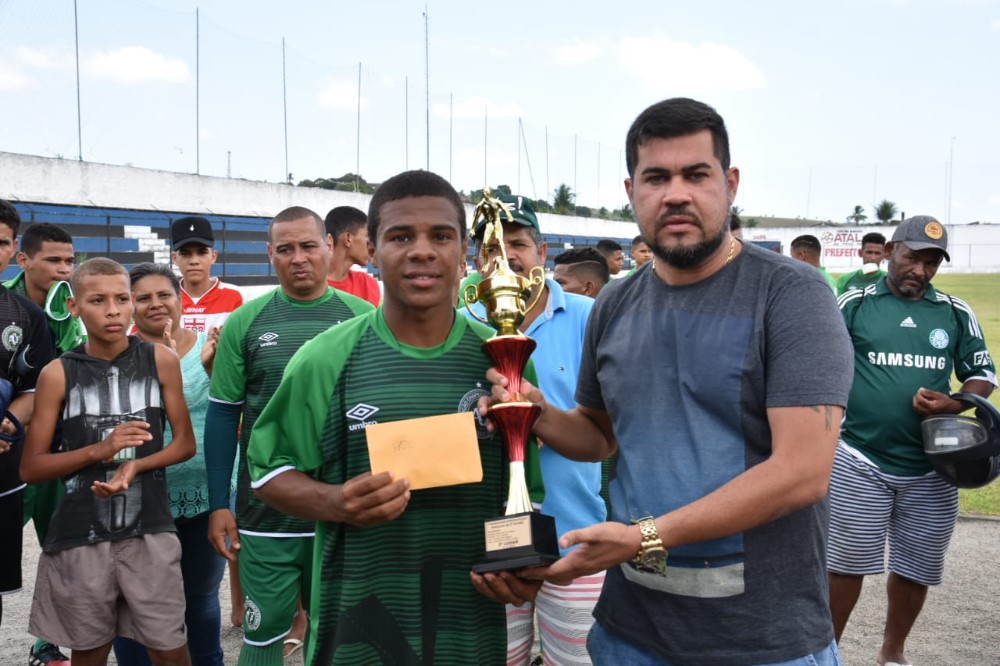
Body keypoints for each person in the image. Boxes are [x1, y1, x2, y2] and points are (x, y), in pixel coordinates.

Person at [473, 97, 854, 665]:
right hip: (631, 631)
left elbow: (802, 473)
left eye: (696, 175)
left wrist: (643, 537)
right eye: (656, 178)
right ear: (632, 192)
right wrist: (537, 411)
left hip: (760, 638)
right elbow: (599, 435)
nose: (676, 194)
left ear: (730, 184)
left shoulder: (791, 294)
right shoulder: (615, 303)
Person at [246, 171, 544, 665]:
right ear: (372, 249)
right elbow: (267, 473)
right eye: (401, 237)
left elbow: (524, 491)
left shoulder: (504, 362)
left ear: (465, 251)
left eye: (441, 236)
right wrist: (335, 501)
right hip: (355, 634)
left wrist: (521, 566)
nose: (421, 251)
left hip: (470, 635)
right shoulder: (325, 359)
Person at [204, 206, 373, 664]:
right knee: (262, 635)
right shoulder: (245, 322)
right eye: (285, 249)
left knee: (336, 633)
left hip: (343, 508)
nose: (298, 258)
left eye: (308, 246)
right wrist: (219, 503)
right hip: (265, 513)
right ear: (269, 254)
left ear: (329, 246)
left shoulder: (364, 318)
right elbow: (223, 417)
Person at [828, 215, 997, 666]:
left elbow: (982, 372)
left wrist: (955, 403)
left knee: (916, 565)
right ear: (889, 251)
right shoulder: (855, 303)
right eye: (912, 258)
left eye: (931, 263)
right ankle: (826, 653)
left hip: (934, 465)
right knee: (844, 563)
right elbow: (820, 361)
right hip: (859, 456)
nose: (920, 271)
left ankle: (892, 652)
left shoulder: (954, 312)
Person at [19, 257, 195, 666]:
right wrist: (100, 451)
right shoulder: (57, 374)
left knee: (170, 649)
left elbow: (185, 444)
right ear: (74, 307)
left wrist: (136, 465)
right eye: (97, 300)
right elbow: (31, 467)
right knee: (90, 651)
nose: (113, 310)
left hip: (151, 527)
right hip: (80, 533)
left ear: (131, 303)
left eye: (121, 299)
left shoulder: (161, 360)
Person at [465, 194, 605, 665]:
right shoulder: (460, 326)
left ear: (542, 253)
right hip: (489, 542)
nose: (505, 257)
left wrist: (540, 419)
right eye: (491, 249)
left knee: (581, 658)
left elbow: (611, 428)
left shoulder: (589, 317)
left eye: (518, 244)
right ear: (476, 261)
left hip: (575, 535)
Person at [113, 263, 226, 666]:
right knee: (134, 603)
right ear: (129, 305)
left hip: (204, 497)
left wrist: (213, 369)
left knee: (200, 600)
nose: (155, 304)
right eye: (143, 298)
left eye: (164, 295)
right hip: (137, 499)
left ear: (180, 299)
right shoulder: (116, 356)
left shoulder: (212, 348)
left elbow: (236, 412)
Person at [3, 220, 82, 666]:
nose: (64, 269)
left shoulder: (75, 305)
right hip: (6, 450)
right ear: (24, 259)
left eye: (69, 261)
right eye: (53, 260)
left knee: (61, 548)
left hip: (55, 450)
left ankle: (46, 642)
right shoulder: (5, 304)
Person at [0, 201, 56, 634]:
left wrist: (9, 424)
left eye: (0, 242)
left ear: (12, 247)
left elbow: (35, 390)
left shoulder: (25, 315)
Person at [170, 216, 244, 333]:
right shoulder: (165, 298)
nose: (194, 261)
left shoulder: (236, 296)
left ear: (213, 256)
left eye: (202, 252)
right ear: (174, 258)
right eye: (185, 254)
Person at [324, 205, 381, 307]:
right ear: (348, 238)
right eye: (368, 237)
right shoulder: (311, 284)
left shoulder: (366, 284)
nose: (372, 246)